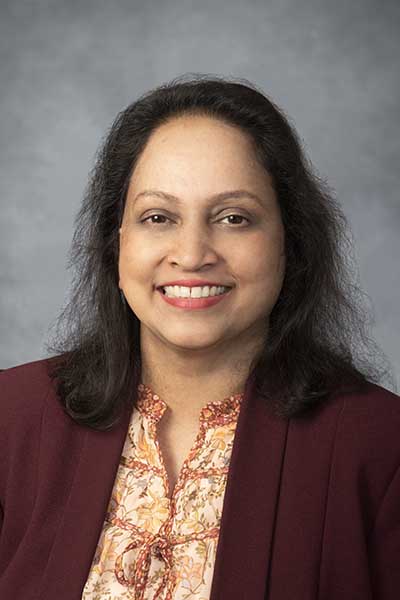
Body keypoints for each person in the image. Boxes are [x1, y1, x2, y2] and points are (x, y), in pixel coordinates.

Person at [0, 74, 399, 600]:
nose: (191, 254)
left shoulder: (380, 447)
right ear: (116, 244)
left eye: (234, 218)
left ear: (290, 242)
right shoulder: (11, 418)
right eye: (158, 216)